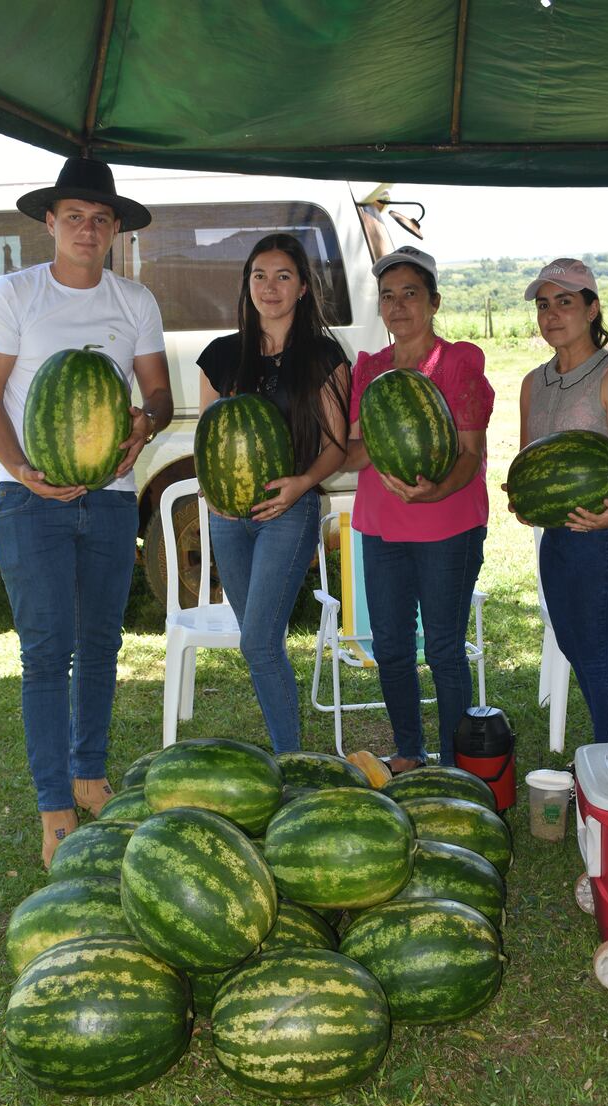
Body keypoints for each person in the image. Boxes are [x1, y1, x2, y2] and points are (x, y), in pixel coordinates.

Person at [0, 158, 173, 867]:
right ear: (50, 222)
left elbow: (158, 394)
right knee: (45, 652)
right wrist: (25, 471)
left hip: (111, 500)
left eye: (101, 218)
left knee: (102, 645)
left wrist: (142, 427)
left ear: (115, 228)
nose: (88, 229)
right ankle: (55, 805)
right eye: (75, 216)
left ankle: (90, 777)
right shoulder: (13, 294)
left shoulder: (134, 301)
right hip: (29, 500)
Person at [198, 233, 350, 753]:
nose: (270, 286)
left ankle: (290, 761)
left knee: (258, 642)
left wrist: (302, 485)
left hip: (289, 512)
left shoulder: (325, 357)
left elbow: (335, 446)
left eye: (283, 276)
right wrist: (211, 491)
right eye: (259, 275)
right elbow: (209, 438)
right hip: (227, 518)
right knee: (260, 644)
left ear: (303, 288)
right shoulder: (219, 356)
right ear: (247, 284)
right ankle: (290, 753)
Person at [346, 245, 494, 773]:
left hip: (448, 525)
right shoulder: (370, 369)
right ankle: (409, 751)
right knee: (389, 646)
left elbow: (471, 453)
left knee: (445, 649)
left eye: (410, 293)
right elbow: (357, 448)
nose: (398, 306)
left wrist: (432, 491)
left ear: (433, 302)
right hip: (381, 528)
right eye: (388, 296)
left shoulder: (457, 363)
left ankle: (458, 766)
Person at [512, 257, 608, 743]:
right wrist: (522, 498)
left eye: (565, 302)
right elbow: (532, 463)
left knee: (595, 652)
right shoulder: (533, 383)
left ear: (592, 309)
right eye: (543, 305)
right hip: (559, 540)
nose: (551, 315)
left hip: (604, 542)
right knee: (575, 645)